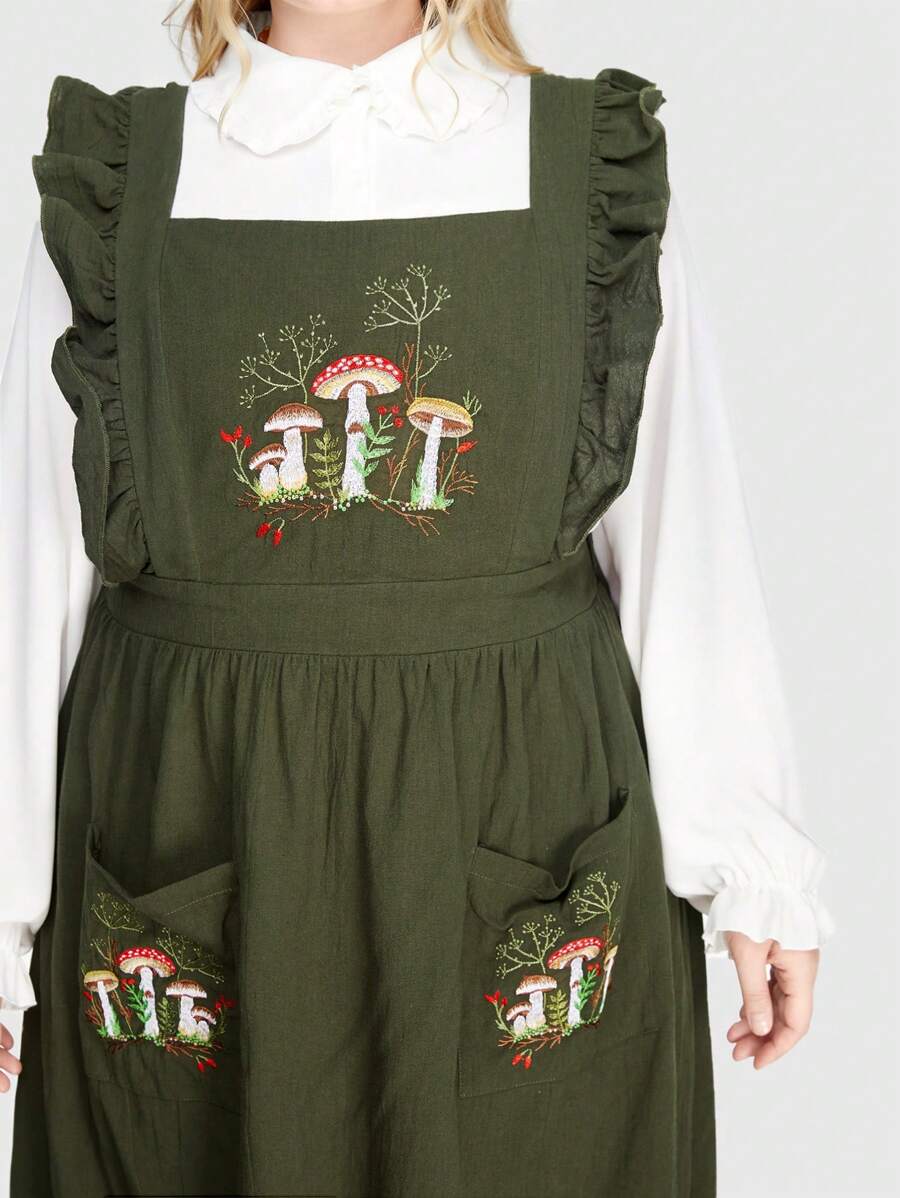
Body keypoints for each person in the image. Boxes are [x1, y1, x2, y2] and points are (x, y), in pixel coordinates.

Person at [0, 1, 833, 1194]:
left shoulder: (582, 170)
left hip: (515, 809)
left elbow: (678, 534)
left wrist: (753, 861)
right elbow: (24, 569)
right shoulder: (121, 184)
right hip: (196, 814)